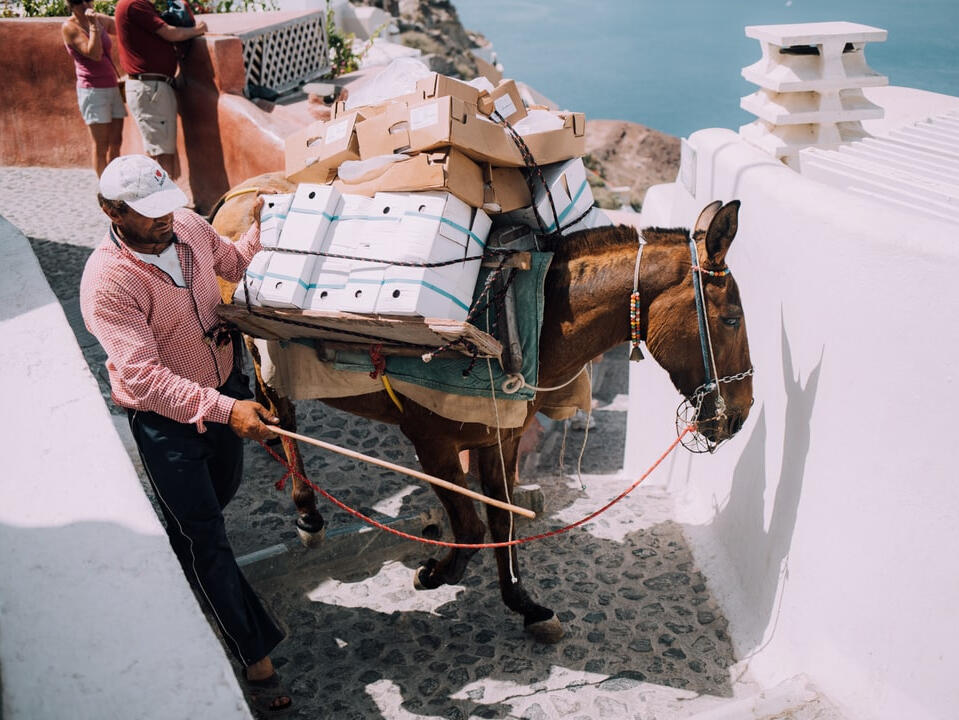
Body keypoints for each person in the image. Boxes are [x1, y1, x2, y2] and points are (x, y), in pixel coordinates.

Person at [79, 155, 292, 715]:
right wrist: (226, 409)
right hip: (168, 424)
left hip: (225, 397)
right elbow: (144, 378)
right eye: (147, 213)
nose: (164, 219)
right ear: (111, 211)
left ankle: (179, 559)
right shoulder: (108, 282)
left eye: (165, 205)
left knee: (207, 512)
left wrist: (264, 228)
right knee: (206, 536)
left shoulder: (189, 225)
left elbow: (237, 262)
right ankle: (255, 655)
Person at [114, 0, 207, 179]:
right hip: (150, 88)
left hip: (152, 87)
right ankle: (163, 204)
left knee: (161, 150)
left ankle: (164, 201)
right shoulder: (134, 4)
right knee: (161, 155)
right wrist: (198, 29)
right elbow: (168, 33)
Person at [61, 0, 126, 176]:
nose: (84, 5)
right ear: (71, 5)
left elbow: (123, 29)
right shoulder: (70, 27)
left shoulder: (101, 20)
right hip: (92, 90)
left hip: (112, 86)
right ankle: (105, 191)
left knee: (116, 140)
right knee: (101, 144)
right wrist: (93, 26)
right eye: (78, 2)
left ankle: (115, 183)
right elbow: (95, 54)